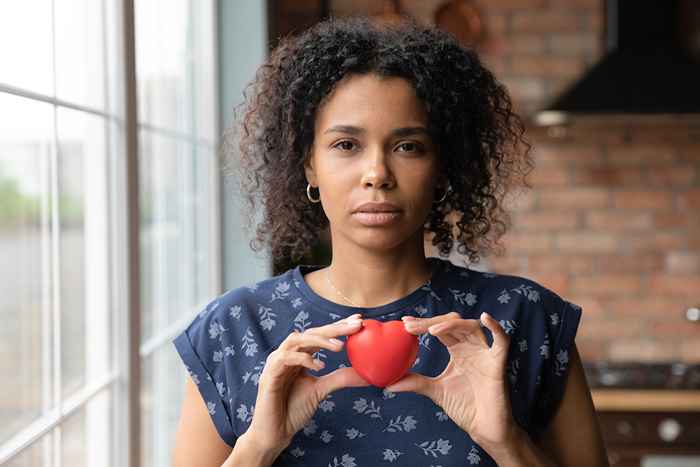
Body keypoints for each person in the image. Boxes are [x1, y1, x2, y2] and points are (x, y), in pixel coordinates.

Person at [170, 16, 608, 467]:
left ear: (442, 168)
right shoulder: (234, 328)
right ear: (309, 167)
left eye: (408, 147)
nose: (377, 173)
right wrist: (257, 447)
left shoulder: (526, 319)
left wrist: (506, 442)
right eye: (346, 145)